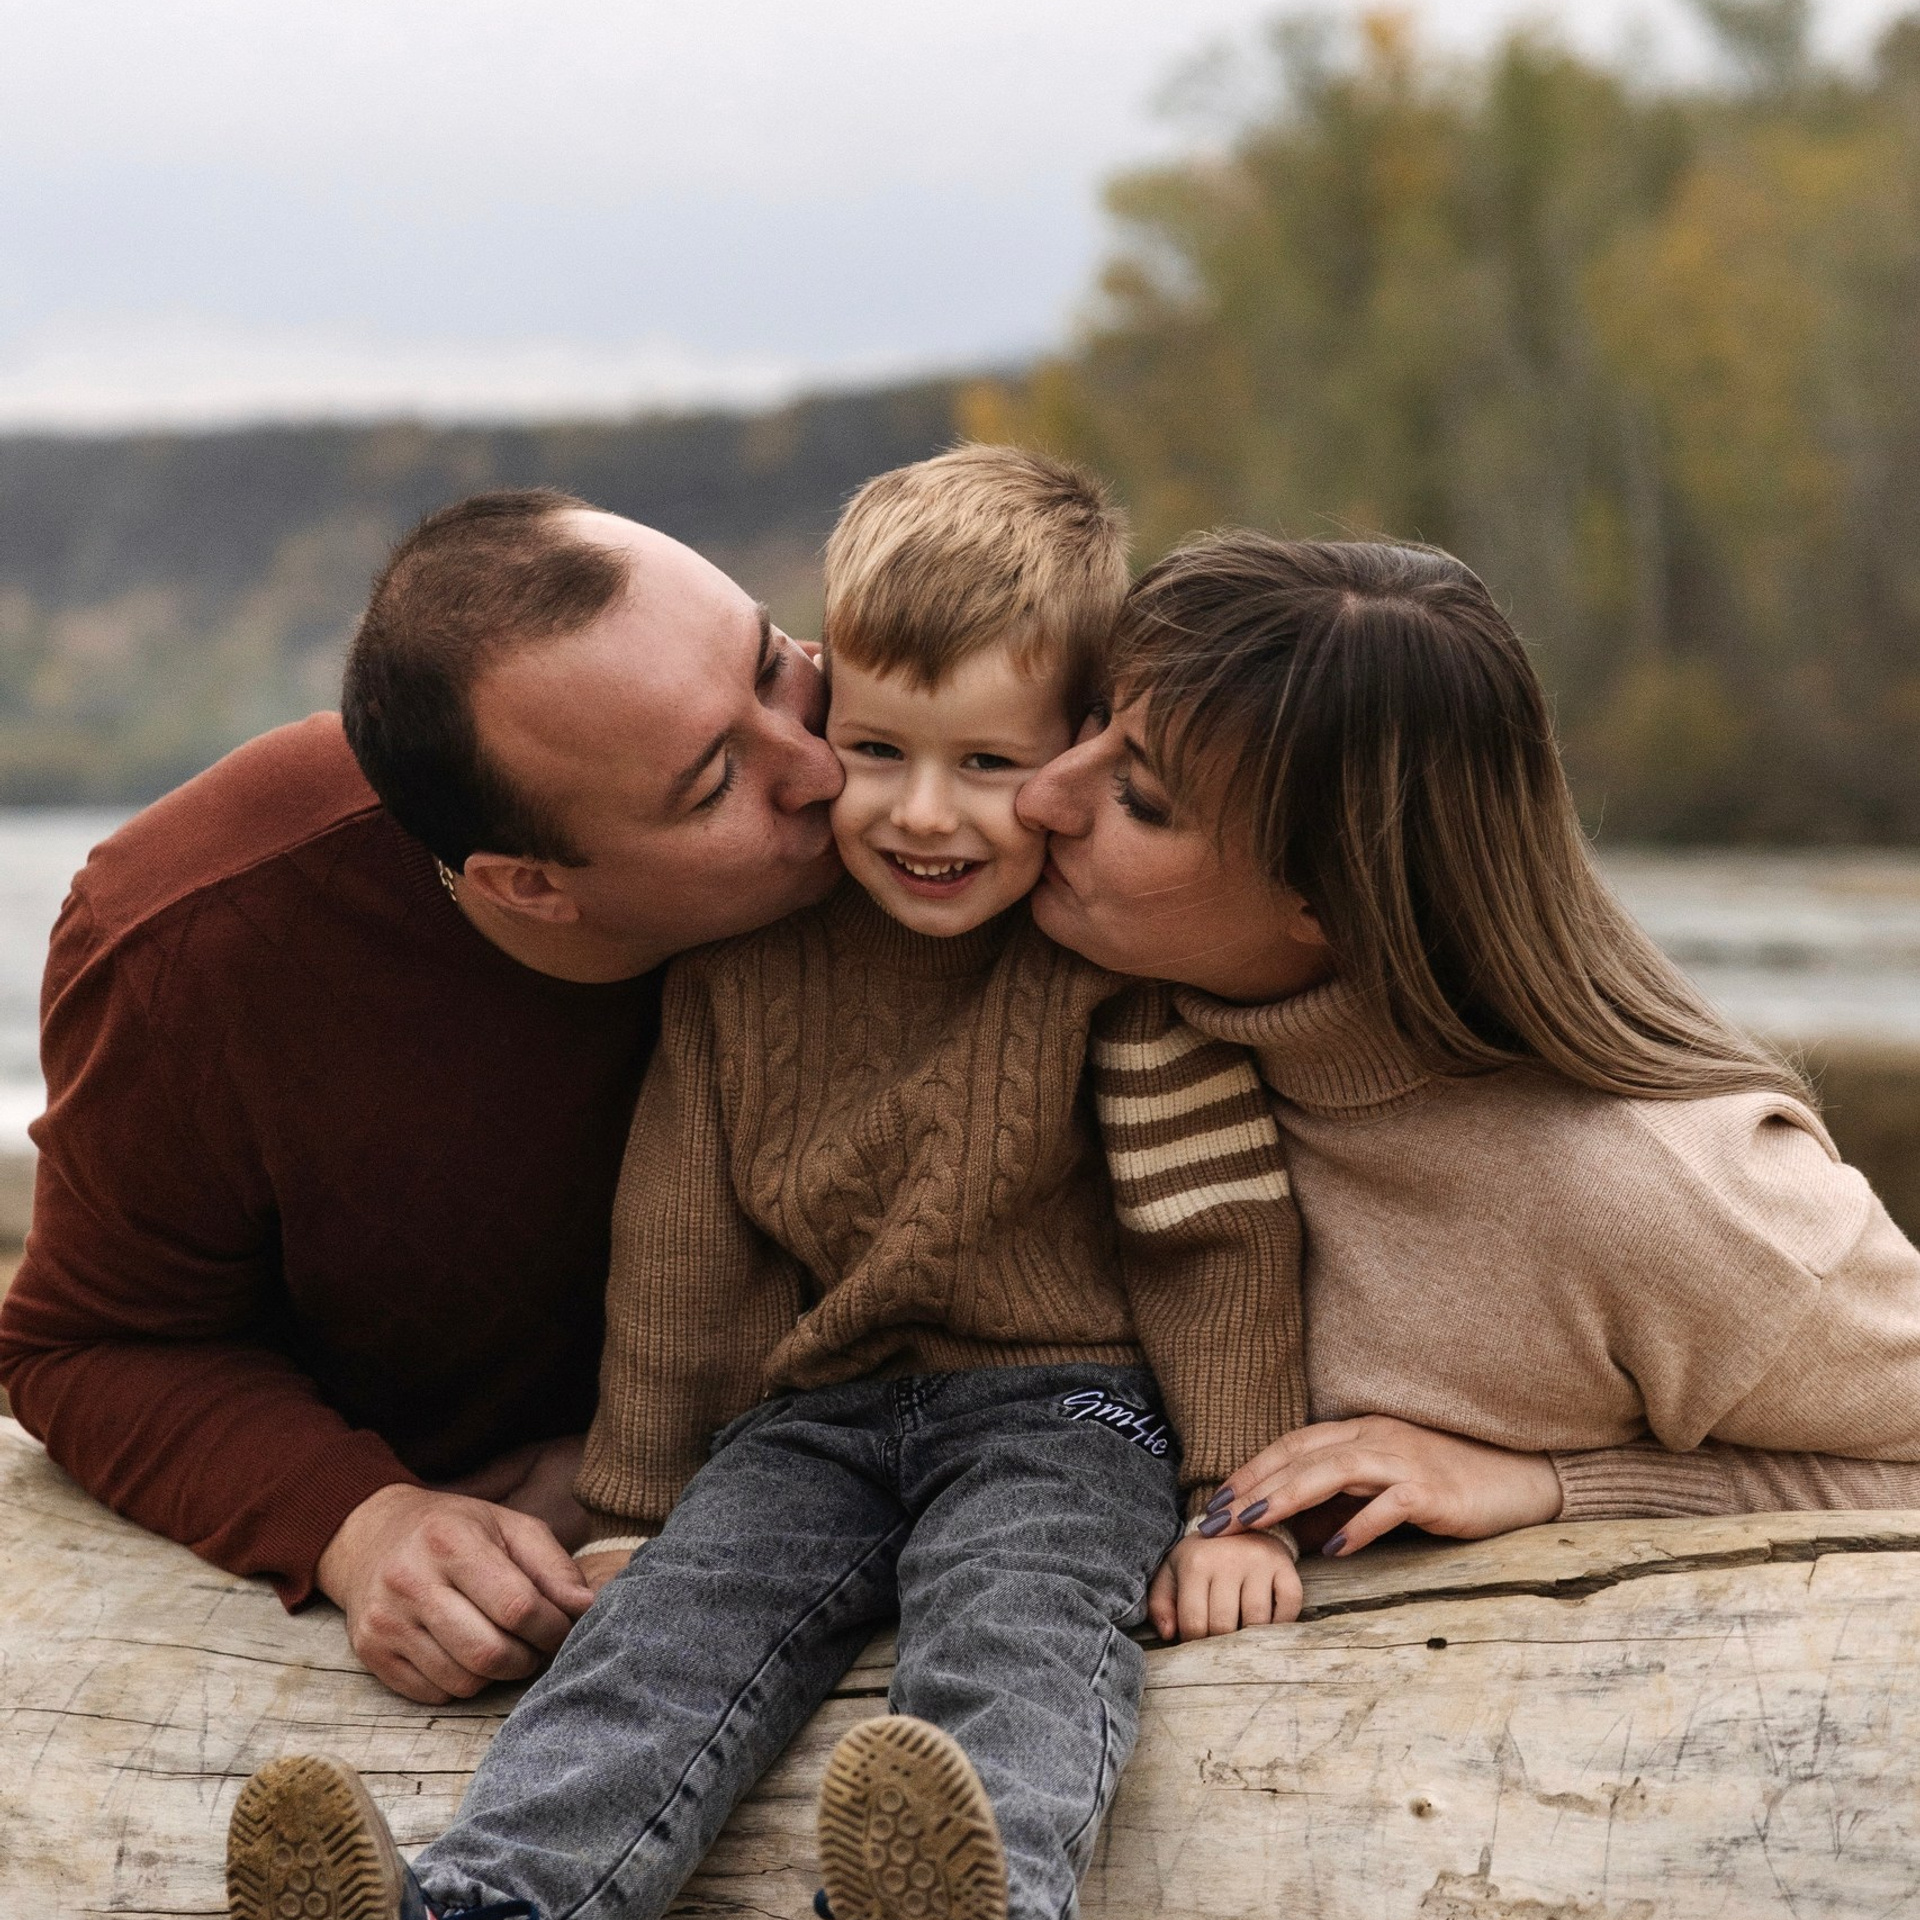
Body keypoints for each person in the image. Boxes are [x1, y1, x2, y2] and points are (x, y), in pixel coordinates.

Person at [225, 448, 1308, 1920]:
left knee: (1020, 1629)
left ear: (1073, 750)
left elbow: (1212, 1236)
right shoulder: (739, 965)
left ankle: (974, 1899)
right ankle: (487, 1898)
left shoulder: (1106, 959)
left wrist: (1238, 1504)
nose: (925, 815)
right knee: (662, 1635)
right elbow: (682, 1255)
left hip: (1067, 1406)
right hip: (814, 1414)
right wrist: (632, 1508)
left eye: (989, 766)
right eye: (878, 751)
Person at [0, 489, 844, 1703]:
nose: (823, 769)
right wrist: (360, 1522)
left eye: (772, 662)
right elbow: (90, 1346)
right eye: (715, 784)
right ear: (529, 886)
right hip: (478, 1616)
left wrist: (647, 1459)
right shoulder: (195, 940)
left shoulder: (931, 796)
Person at [1010, 531, 1920, 1622]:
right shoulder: (1085, 1012)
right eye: (1091, 720)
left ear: (1332, 899)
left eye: (1140, 797)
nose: (1043, 795)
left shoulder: (1665, 1190)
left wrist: (1555, 1488)